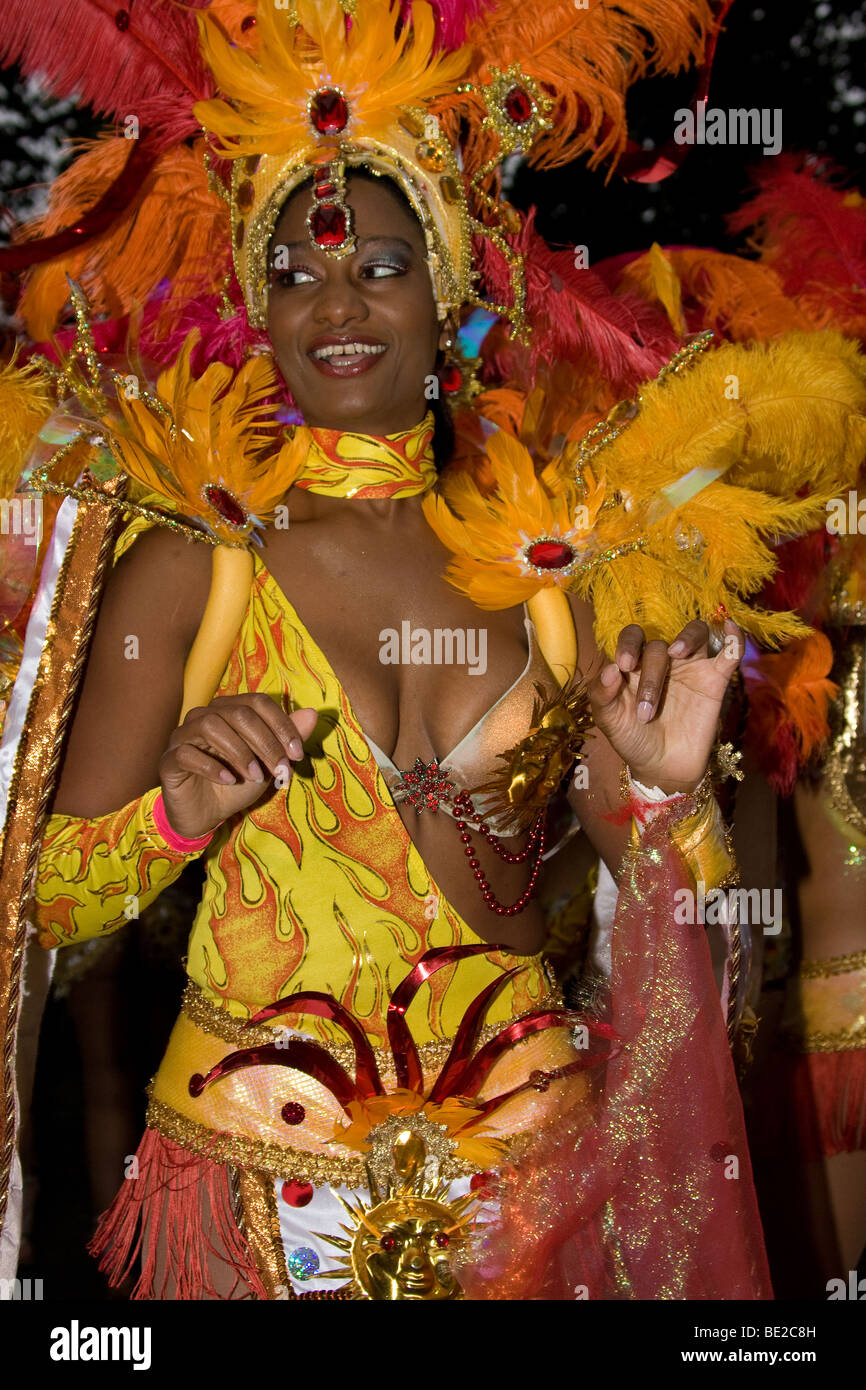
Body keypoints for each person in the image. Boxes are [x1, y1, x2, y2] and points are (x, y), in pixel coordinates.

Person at [4, 0, 859, 1301]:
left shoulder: (552, 566)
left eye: (378, 266)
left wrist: (661, 788)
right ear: (256, 295)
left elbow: (629, 916)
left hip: (531, 1199)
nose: (334, 305)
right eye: (293, 272)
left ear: (448, 278)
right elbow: (46, 901)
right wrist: (170, 819)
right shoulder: (193, 563)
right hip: (251, 1200)